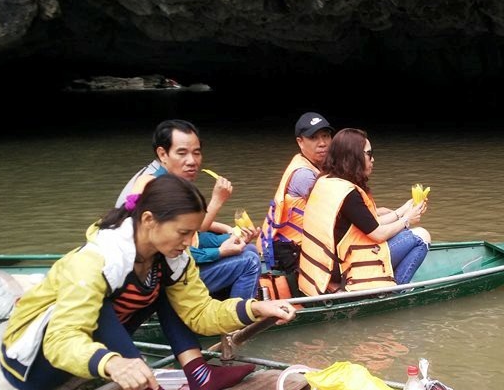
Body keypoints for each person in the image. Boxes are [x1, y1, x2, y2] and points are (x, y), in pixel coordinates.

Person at [0, 175, 296, 390]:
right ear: (149, 219)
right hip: (33, 363)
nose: (188, 242)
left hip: (91, 354)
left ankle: (199, 374)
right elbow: (60, 340)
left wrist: (256, 309)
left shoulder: (169, 258)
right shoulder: (96, 262)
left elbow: (199, 313)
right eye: (182, 233)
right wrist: (113, 363)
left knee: (163, 284)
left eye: (192, 233)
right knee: (102, 304)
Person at [118, 119, 262, 299]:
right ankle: (240, 313)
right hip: (160, 277)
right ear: (163, 154)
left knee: (247, 247)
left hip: (175, 260)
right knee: (250, 261)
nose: (192, 161)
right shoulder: (154, 187)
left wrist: (228, 230)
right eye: (182, 153)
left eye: (196, 153)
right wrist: (219, 251)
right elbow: (172, 249)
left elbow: (188, 226)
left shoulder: (166, 178)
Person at [298, 128, 430, 297]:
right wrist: (407, 220)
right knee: (422, 236)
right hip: (344, 267)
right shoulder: (348, 194)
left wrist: (403, 211)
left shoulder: (326, 181)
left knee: (402, 231)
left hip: (324, 265)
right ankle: (394, 291)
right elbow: (378, 234)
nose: (373, 159)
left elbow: (370, 224)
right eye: (369, 154)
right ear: (353, 157)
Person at [258, 112, 334, 281]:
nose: (322, 143)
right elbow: (338, 213)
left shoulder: (313, 166)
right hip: (290, 252)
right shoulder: (304, 175)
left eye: (326, 136)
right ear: (300, 142)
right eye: (314, 138)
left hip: (287, 246)